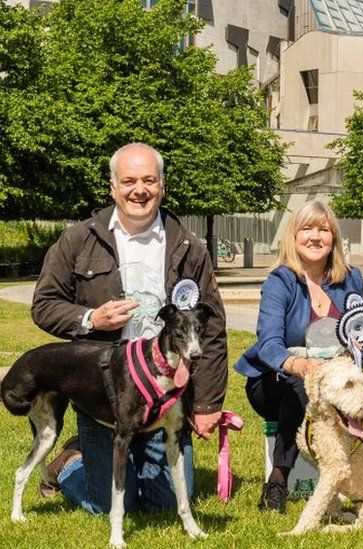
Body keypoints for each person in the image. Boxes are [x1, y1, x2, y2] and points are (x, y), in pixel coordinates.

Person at [31, 142, 227, 514]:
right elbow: (43, 305)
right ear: (113, 187)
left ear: (162, 186)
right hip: (103, 391)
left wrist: (206, 404)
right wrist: (91, 318)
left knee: (166, 506)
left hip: (165, 391)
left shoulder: (189, 247)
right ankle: (69, 462)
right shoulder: (77, 239)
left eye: (149, 180)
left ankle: (127, 457)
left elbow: (212, 330)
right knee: (106, 507)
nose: (140, 189)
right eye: (129, 181)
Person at [234, 200, 363, 513]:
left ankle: (352, 484)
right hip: (274, 381)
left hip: (330, 384)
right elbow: (268, 345)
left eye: (323, 229)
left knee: (337, 394)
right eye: (307, 229)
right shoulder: (280, 281)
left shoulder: (352, 279)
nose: (315, 237)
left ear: (334, 238)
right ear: (293, 237)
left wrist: (360, 351)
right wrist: (301, 366)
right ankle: (278, 481)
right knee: (304, 388)